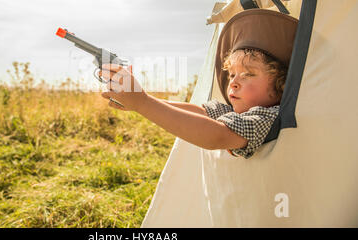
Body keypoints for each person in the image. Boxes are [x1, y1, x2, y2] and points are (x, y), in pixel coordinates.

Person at [99, 9, 298, 159]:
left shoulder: (267, 117)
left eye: (248, 75)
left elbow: (217, 136)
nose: (234, 82)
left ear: (280, 84)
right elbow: (200, 112)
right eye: (232, 75)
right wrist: (141, 101)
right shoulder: (232, 111)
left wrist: (142, 103)